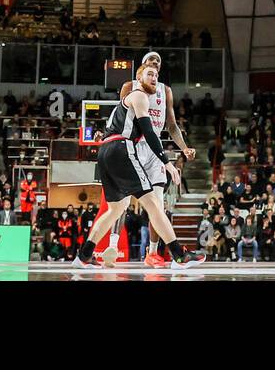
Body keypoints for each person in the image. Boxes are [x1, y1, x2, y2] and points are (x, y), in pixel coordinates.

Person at [73, 75, 203, 271]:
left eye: (156, 75)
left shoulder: (128, 104)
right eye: (149, 74)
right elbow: (150, 133)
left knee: (115, 209)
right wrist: (166, 162)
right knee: (152, 203)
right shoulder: (139, 95)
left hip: (105, 152)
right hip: (121, 148)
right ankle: (180, 255)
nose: (154, 78)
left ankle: (84, 255)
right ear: (138, 78)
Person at [136, 51, 197, 268]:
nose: (155, 63)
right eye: (150, 61)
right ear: (142, 67)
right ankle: (109, 247)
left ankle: (152, 253)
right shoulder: (131, 87)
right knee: (121, 204)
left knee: (158, 205)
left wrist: (184, 147)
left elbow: (171, 126)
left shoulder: (166, 91)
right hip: (133, 146)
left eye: (158, 62)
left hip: (155, 150)